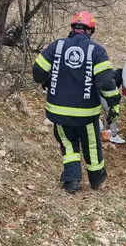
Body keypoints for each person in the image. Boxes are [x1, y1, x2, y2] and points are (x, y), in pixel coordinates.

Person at [32, 11, 120, 193]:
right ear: (91, 30)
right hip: (85, 113)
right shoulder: (96, 51)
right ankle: (96, 180)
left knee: (68, 144)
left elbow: (37, 72)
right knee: (91, 146)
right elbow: (106, 82)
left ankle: (71, 180)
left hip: (58, 112)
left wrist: (49, 80)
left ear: (73, 28)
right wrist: (114, 103)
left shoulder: (57, 46)